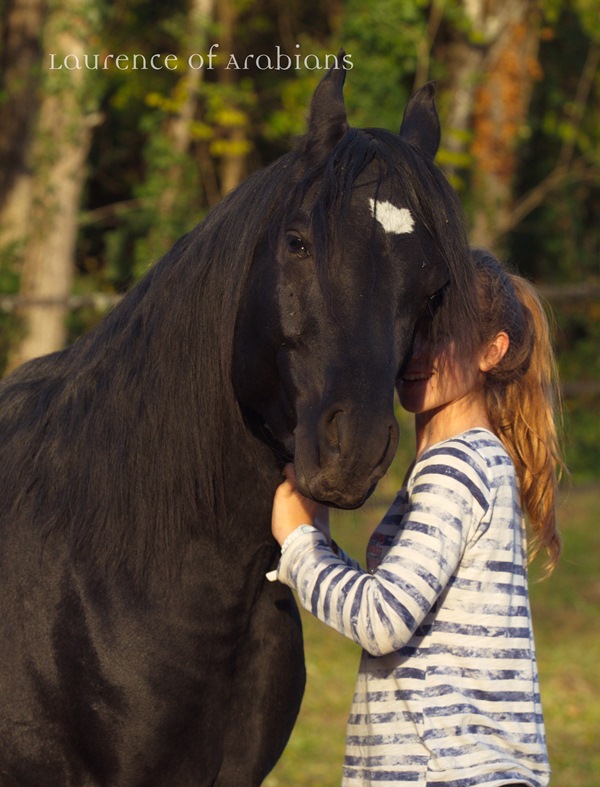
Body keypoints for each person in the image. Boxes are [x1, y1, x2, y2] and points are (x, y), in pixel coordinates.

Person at [270, 248, 564, 786]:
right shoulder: (470, 460)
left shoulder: (457, 466)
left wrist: (297, 546)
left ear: (492, 351)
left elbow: (383, 620)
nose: (418, 350)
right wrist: (318, 539)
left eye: (442, 334)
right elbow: (408, 607)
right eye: (411, 328)